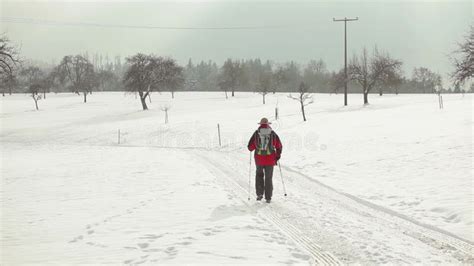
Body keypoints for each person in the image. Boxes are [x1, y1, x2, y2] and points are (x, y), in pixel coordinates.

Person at [247, 117, 283, 203]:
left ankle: (259, 194)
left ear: (260, 124)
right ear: (268, 124)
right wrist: (277, 156)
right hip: (270, 159)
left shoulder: (256, 133)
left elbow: (250, 147)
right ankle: (268, 197)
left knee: (259, 175)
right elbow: (279, 146)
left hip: (259, 159)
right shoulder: (272, 133)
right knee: (268, 178)